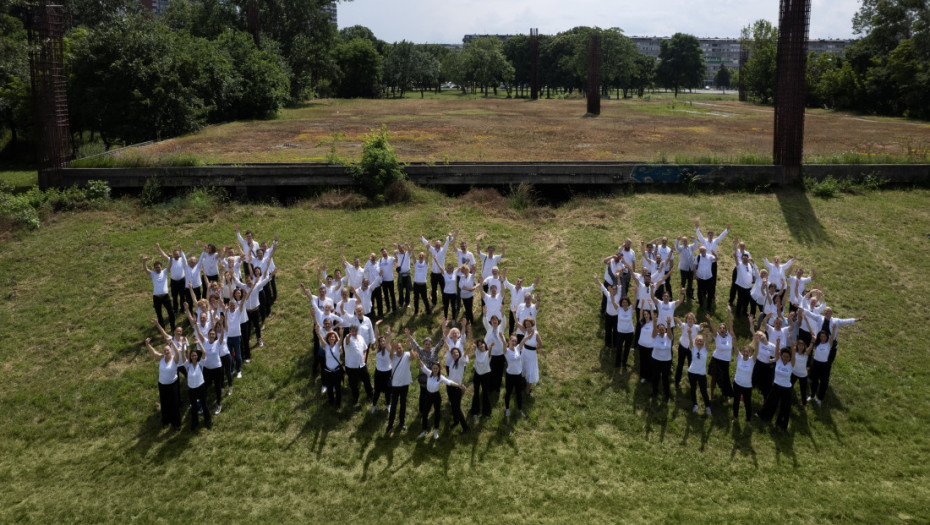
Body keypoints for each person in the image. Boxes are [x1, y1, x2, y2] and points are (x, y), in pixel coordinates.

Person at [412, 352, 467, 439]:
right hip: (428, 396)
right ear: (432, 368)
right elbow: (422, 366)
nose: (435, 370)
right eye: (433, 368)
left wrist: (459, 385)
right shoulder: (428, 373)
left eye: (436, 368)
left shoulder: (441, 377)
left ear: (439, 369)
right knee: (425, 413)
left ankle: (435, 430)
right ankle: (424, 431)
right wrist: (418, 358)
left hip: (436, 397)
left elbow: (449, 382)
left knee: (437, 413)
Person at [406, 326, 446, 430]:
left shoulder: (435, 351)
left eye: (429, 344)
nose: (428, 345)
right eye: (426, 344)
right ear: (424, 345)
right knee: (423, 394)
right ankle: (421, 411)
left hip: (433, 377)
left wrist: (443, 329)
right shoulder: (420, 351)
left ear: (431, 345)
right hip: (423, 377)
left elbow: (442, 342)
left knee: (432, 394)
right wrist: (409, 335)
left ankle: (432, 409)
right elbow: (414, 344)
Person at [147, 321, 182, 430]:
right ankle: (166, 421)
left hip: (173, 384)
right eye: (165, 350)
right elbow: (153, 353)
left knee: (174, 404)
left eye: (168, 350)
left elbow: (177, 352)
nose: (166, 352)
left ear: (171, 350)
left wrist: (172, 343)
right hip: (162, 385)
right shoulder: (161, 358)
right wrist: (147, 344)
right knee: (165, 404)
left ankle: (177, 424)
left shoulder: (175, 359)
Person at [757, 344, 796, 430]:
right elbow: (776, 352)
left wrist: (793, 347)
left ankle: (781, 423)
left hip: (786, 388)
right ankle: (765, 417)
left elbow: (793, 356)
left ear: (790, 357)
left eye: (787, 356)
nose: (785, 358)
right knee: (771, 402)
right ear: (781, 356)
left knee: (785, 407)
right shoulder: (778, 361)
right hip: (776, 386)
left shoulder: (791, 364)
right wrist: (778, 343)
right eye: (784, 356)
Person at [707, 306, 736, 402]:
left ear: (726, 329)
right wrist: (711, 321)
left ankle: (726, 396)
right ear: (719, 330)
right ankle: (711, 394)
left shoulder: (730, 336)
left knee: (725, 379)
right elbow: (713, 328)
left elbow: (731, 324)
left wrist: (729, 313)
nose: (722, 329)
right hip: (716, 359)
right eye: (720, 328)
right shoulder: (717, 336)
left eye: (724, 328)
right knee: (714, 378)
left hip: (725, 361)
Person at [181, 341, 212, 430]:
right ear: (190, 357)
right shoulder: (188, 366)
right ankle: (195, 423)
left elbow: (204, 352)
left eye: (195, 355)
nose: (194, 357)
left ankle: (208, 421)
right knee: (193, 406)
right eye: (192, 355)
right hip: (191, 389)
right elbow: (183, 357)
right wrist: (183, 346)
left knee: (204, 404)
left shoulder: (200, 364)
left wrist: (199, 343)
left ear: (197, 356)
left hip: (201, 387)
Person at [343, 321, 374, 407]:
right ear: (350, 331)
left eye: (355, 330)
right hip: (351, 366)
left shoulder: (360, 337)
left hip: (362, 365)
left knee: (367, 380)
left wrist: (364, 357)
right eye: (352, 330)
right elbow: (347, 340)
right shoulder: (347, 339)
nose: (354, 332)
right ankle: (355, 398)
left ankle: (370, 395)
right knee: (353, 384)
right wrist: (348, 336)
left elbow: (365, 349)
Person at [421, 231, 455, 306]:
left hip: (441, 275)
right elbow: (427, 244)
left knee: (443, 289)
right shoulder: (432, 250)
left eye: (439, 245)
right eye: (436, 245)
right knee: (433, 289)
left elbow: (447, 243)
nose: (437, 246)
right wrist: (421, 237)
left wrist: (449, 236)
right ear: (435, 245)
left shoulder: (443, 251)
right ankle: (434, 302)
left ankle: (444, 303)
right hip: (433, 274)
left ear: (441, 245)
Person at [143, 255, 175, 331]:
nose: (157, 268)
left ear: (161, 266)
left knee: (170, 312)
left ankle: (173, 327)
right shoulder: (153, 274)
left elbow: (170, 265)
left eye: (159, 267)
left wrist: (170, 258)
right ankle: (162, 329)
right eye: (156, 267)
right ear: (154, 268)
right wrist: (144, 261)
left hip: (165, 296)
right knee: (159, 314)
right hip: (156, 297)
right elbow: (146, 269)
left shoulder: (165, 272)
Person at [386, 341, 412, 434]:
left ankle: (402, 422)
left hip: (405, 384)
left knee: (403, 404)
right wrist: (392, 348)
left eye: (400, 347)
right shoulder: (393, 356)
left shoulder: (407, 354)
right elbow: (390, 356)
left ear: (403, 348)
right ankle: (390, 424)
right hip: (395, 385)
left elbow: (413, 357)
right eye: (397, 348)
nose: (398, 349)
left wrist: (410, 348)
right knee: (393, 405)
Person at [674, 313, 706, 388]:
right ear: (686, 320)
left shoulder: (696, 327)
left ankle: (692, 382)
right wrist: (676, 319)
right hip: (683, 347)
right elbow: (680, 323)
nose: (690, 320)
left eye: (691, 319)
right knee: (680, 365)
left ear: (694, 320)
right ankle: (677, 382)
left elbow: (700, 327)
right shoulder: (684, 325)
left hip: (692, 349)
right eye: (688, 318)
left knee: (691, 365)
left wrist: (702, 324)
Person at [156, 242, 188, 314]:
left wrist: (181, 249)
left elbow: (187, 254)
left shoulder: (182, 259)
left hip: (182, 281)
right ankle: (175, 310)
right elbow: (163, 254)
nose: (176, 255)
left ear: (179, 254)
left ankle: (183, 309)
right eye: (175, 254)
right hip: (174, 282)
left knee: (183, 296)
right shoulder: (171, 260)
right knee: (174, 297)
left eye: (177, 254)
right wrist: (158, 248)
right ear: (173, 255)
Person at [445, 347, 470, 434]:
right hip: (450, 386)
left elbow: (464, 354)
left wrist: (468, 348)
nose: (455, 354)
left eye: (456, 352)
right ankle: (456, 421)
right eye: (453, 353)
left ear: (459, 353)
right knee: (453, 405)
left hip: (457, 388)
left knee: (457, 408)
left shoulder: (461, 362)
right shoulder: (452, 362)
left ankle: (465, 427)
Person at [316, 326, 344, 408]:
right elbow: (321, 338)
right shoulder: (325, 346)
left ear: (335, 338)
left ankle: (338, 403)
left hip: (337, 371)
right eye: (330, 337)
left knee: (338, 388)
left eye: (333, 337)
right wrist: (318, 332)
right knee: (330, 388)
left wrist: (341, 334)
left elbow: (341, 339)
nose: (332, 338)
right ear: (327, 339)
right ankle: (331, 402)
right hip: (328, 372)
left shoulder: (338, 345)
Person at [732, 341, 758, 424]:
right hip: (737, 384)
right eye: (744, 351)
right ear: (742, 352)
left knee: (748, 404)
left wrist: (757, 342)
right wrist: (733, 338)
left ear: (749, 353)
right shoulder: (739, 357)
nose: (746, 353)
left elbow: (757, 351)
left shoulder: (752, 360)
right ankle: (735, 417)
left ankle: (748, 420)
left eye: (747, 351)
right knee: (736, 402)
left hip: (747, 386)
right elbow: (735, 347)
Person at [484, 304, 508, 394]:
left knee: (499, 371)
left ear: (498, 321)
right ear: (491, 321)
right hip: (491, 354)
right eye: (493, 320)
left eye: (496, 320)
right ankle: (491, 387)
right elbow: (485, 322)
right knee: (491, 371)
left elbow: (504, 322)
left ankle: (497, 387)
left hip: (501, 354)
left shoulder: (501, 328)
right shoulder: (489, 329)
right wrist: (484, 314)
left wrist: (502, 313)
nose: (494, 321)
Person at [686, 330, 712, 415]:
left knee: (703, 391)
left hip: (701, 373)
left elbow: (707, 344)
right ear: (695, 341)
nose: (700, 341)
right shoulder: (693, 347)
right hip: (692, 372)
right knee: (693, 389)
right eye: (698, 339)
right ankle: (695, 405)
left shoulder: (705, 349)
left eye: (701, 340)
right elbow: (690, 342)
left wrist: (706, 336)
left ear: (703, 341)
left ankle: (707, 407)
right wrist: (690, 334)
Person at [651, 313, 674, 402]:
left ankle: (667, 396)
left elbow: (669, 333)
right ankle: (654, 393)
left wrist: (668, 324)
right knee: (655, 377)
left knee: (665, 379)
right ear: (657, 330)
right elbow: (654, 331)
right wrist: (655, 322)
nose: (661, 330)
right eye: (659, 329)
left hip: (666, 361)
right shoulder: (654, 336)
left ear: (665, 330)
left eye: (662, 329)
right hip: (655, 360)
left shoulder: (669, 337)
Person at [370, 320, 391, 414]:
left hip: (387, 373)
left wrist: (388, 333)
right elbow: (376, 336)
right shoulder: (378, 349)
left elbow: (388, 340)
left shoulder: (388, 348)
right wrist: (376, 325)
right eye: (381, 341)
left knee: (387, 391)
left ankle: (388, 404)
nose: (382, 342)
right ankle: (374, 405)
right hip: (378, 372)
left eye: (384, 341)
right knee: (377, 390)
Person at [469, 339, 493, 420]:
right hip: (477, 375)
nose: (480, 346)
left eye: (481, 344)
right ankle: (475, 411)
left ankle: (486, 412)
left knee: (485, 393)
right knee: (476, 393)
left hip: (485, 375)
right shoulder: (477, 352)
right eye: (478, 345)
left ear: (484, 344)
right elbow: (472, 343)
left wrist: (490, 346)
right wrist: (469, 331)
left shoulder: (488, 353)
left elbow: (489, 351)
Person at [503, 335, 525, 418]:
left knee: (519, 393)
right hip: (510, 376)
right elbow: (504, 345)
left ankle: (520, 409)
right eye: (512, 341)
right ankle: (507, 409)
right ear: (509, 341)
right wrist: (502, 338)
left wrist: (528, 335)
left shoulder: (517, 349)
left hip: (518, 375)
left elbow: (523, 341)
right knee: (508, 392)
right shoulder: (507, 351)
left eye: (515, 341)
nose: (514, 342)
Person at [597, 274, 620, 352]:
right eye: (613, 289)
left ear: (617, 290)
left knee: (616, 331)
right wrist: (597, 279)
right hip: (608, 316)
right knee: (608, 330)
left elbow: (619, 285)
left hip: (616, 316)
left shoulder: (619, 296)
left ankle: (615, 345)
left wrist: (618, 277)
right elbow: (602, 287)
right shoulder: (608, 294)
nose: (614, 290)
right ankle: (608, 345)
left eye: (615, 289)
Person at [789, 328, 811, 410]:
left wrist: (812, 341)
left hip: (803, 375)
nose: (801, 347)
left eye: (802, 346)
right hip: (794, 373)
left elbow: (811, 346)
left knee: (803, 390)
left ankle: (804, 404)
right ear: (797, 346)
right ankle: (787, 399)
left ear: (804, 346)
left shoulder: (806, 353)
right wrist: (791, 338)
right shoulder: (795, 351)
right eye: (799, 345)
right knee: (789, 387)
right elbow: (792, 345)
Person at [728, 237, 752, 308]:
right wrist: (735, 243)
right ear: (739, 246)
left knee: (741, 287)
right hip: (737, 270)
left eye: (743, 246)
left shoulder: (747, 253)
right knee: (734, 286)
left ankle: (740, 301)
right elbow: (735, 248)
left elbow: (750, 260)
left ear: (745, 246)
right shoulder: (737, 251)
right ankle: (731, 300)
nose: (742, 247)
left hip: (744, 271)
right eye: (741, 246)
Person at [520, 318, 542, 396]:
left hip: (531, 354)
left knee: (530, 371)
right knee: (523, 368)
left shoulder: (536, 334)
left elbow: (541, 345)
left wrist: (534, 349)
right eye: (526, 324)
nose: (527, 325)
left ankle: (527, 391)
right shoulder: (525, 332)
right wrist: (514, 314)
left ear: (532, 324)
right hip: (524, 352)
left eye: (529, 323)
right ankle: (522, 385)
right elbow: (517, 324)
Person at [614, 297, 636, 371]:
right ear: (621, 303)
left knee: (627, 349)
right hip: (620, 332)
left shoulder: (630, 309)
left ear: (628, 303)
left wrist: (636, 294)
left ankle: (624, 363)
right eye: (623, 302)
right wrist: (610, 293)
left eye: (626, 302)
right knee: (619, 348)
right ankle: (617, 363)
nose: (624, 304)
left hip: (629, 333)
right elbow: (613, 302)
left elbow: (635, 302)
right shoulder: (619, 309)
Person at [732, 250, 755, 317]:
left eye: (746, 258)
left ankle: (744, 312)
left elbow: (753, 273)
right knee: (740, 300)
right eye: (743, 258)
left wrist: (754, 279)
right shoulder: (739, 265)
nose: (745, 259)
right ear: (742, 259)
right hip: (741, 286)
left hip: (749, 287)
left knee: (746, 301)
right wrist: (735, 256)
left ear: (748, 258)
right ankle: (737, 313)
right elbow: (736, 259)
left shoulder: (750, 265)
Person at [694, 246, 717, 310]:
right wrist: (695, 274)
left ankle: (709, 306)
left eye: (703, 251)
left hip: (708, 278)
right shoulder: (698, 257)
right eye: (701, 251)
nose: (702, 252)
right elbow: (695, 265)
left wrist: (714, 254)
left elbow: (716, 259)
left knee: (710, 292)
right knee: (699, 292)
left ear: (706, 250)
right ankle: (701, 305)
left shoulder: (710, 256)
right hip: (700, 278)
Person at [636, 307, 655, 384]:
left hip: (650, 346)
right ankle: (643, 376)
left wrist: (650, 306)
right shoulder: (642, 323)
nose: (646, 316)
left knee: (650, 362)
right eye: (644, 314)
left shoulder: (653, 323)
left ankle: (650, 377)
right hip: (642, 345)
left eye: (647, 314)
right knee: (643, 361)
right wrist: (642, 305)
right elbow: (640, 314)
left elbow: (653, 316)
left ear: (649, 315)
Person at [675, 235, 697, 301]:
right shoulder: (681, 248)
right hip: (684, 268)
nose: (685, 242)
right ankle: (683, 297)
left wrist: (694, 239)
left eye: (686, 240)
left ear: (687, 241)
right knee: (683, 282)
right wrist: (677, 240)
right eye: (683, 241)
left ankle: (689, 294)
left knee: (690, 282)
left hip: (690, 268)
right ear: (682, 242)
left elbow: (696, 244)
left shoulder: (690, 247)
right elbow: (676, 247)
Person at [377, 247, 397, 315]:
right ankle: (388, 308)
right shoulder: (380, 260)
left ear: (387, 251)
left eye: (385, 252)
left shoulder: (391, 258)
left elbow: (397, 260)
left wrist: (395, 252)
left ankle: (394, 308)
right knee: (386, 295)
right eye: (382, 252)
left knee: (392, 295)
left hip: (390, 280)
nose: (384, 253)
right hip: (383, 281)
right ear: (381, 253)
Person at [394, 243, 413, 309]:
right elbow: (395, 254)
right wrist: (395, 247)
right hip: (401, 275)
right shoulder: (398, 254)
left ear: (403, 248)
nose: (401, 249)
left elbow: (410, 250)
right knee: (400, 290)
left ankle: (407, 303)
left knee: (407, 290)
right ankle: (400, 303)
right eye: (399, 248)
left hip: (407, 275)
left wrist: (407, 245)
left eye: (402, 248)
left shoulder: (407, 253)